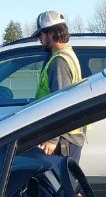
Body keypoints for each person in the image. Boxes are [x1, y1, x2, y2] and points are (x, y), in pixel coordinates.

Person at [32, 10, 86, 161]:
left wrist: (52, 139)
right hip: (67, 137)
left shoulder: (60, 61)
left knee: (61, 183)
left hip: (63, 140)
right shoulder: (67, 54)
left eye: (40, 34)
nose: (39, 39)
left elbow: (61, 104)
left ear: (51, 33)